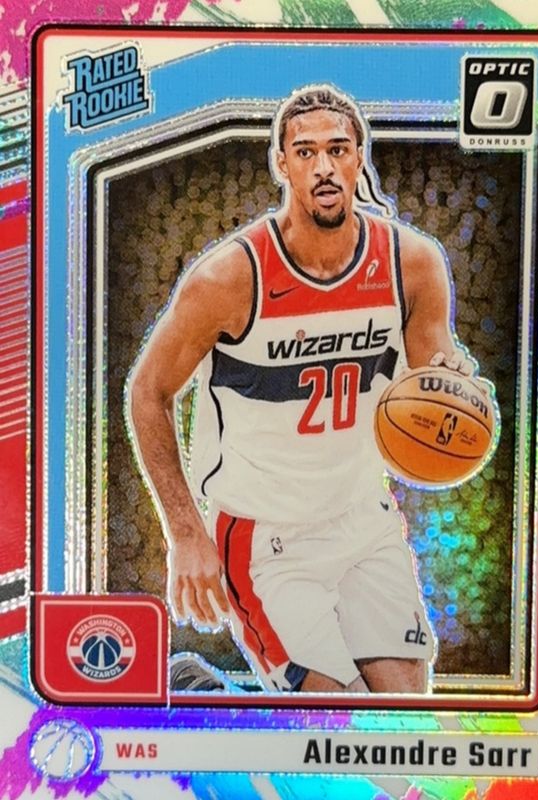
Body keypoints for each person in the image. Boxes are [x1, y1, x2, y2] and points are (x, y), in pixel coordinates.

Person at [127, 84, 476, 694]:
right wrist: (184, 533)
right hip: (264, 536)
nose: (323, 166)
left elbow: (432, 373)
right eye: (306, 151)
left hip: (362, 515)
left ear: (359, 158)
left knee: (404, 716)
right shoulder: (230, 278)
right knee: (333, 723)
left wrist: (455, 386)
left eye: (338, 149)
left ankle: (232, 696)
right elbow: (147, 392)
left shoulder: (411, 263)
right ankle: (210, 694)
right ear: (281, 164)